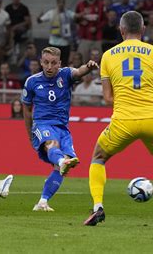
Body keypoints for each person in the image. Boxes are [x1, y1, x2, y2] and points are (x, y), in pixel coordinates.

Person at [83, 11, 153, 229]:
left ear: (121, 30)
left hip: (124, 119)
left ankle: (97, 208)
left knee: (98, 157)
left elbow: (107, 99)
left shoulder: (108, 55)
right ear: (143, 30)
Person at [21, 46, 98, 211]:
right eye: (46, 62)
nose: (49, 67)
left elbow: (79, 72)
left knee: (62, 169)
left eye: (53, 63)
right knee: (52, 145)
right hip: (43, 124)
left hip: (63, 127)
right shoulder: (32, 82)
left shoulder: (66, 74)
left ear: (59, 63)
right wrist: (30, 134)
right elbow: (27, 110)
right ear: (41, 62)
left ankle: (42, 202)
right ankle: (62, 159)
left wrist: (89, 66)